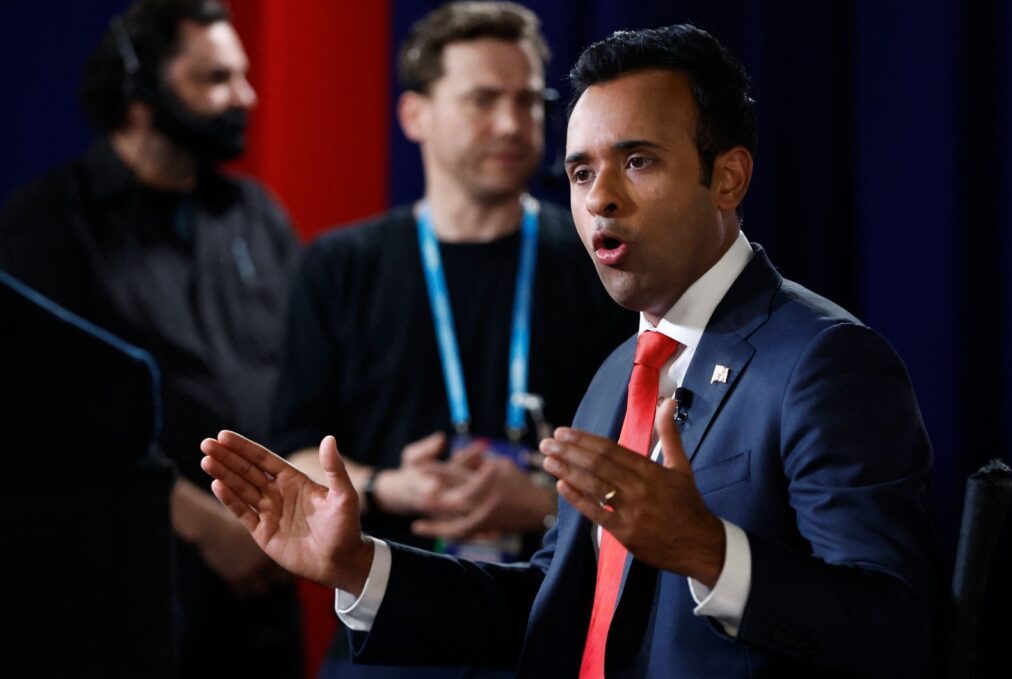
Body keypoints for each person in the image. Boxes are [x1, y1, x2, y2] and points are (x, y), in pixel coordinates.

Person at [201, 23, 935, 678]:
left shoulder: (823, 362)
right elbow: (548, 609)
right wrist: (357, 563)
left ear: (729, 177)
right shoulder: (622, 370)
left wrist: (708, 550)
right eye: (582, 171)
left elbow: (899, 630)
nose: (599, 199)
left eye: (637, 161)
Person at [270, 2, 633, 676]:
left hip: (554, 630)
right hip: (389, 636)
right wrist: (395, 487)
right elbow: (294, 452)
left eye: (528, 101)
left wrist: (546, 500)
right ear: (415, 116)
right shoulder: (340, 266)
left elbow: (654, 456)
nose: (511, 124)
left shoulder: (603, 257)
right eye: (482, 100)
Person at [0, 1, 301, 676]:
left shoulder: (255, 215)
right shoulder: (45, 225)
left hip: (265, 580)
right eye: (216, 79)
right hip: (129, 579)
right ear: (139, 97)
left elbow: (299, 374)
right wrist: (210, 527)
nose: (244, 97)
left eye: (243, 76)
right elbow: (47, 423)